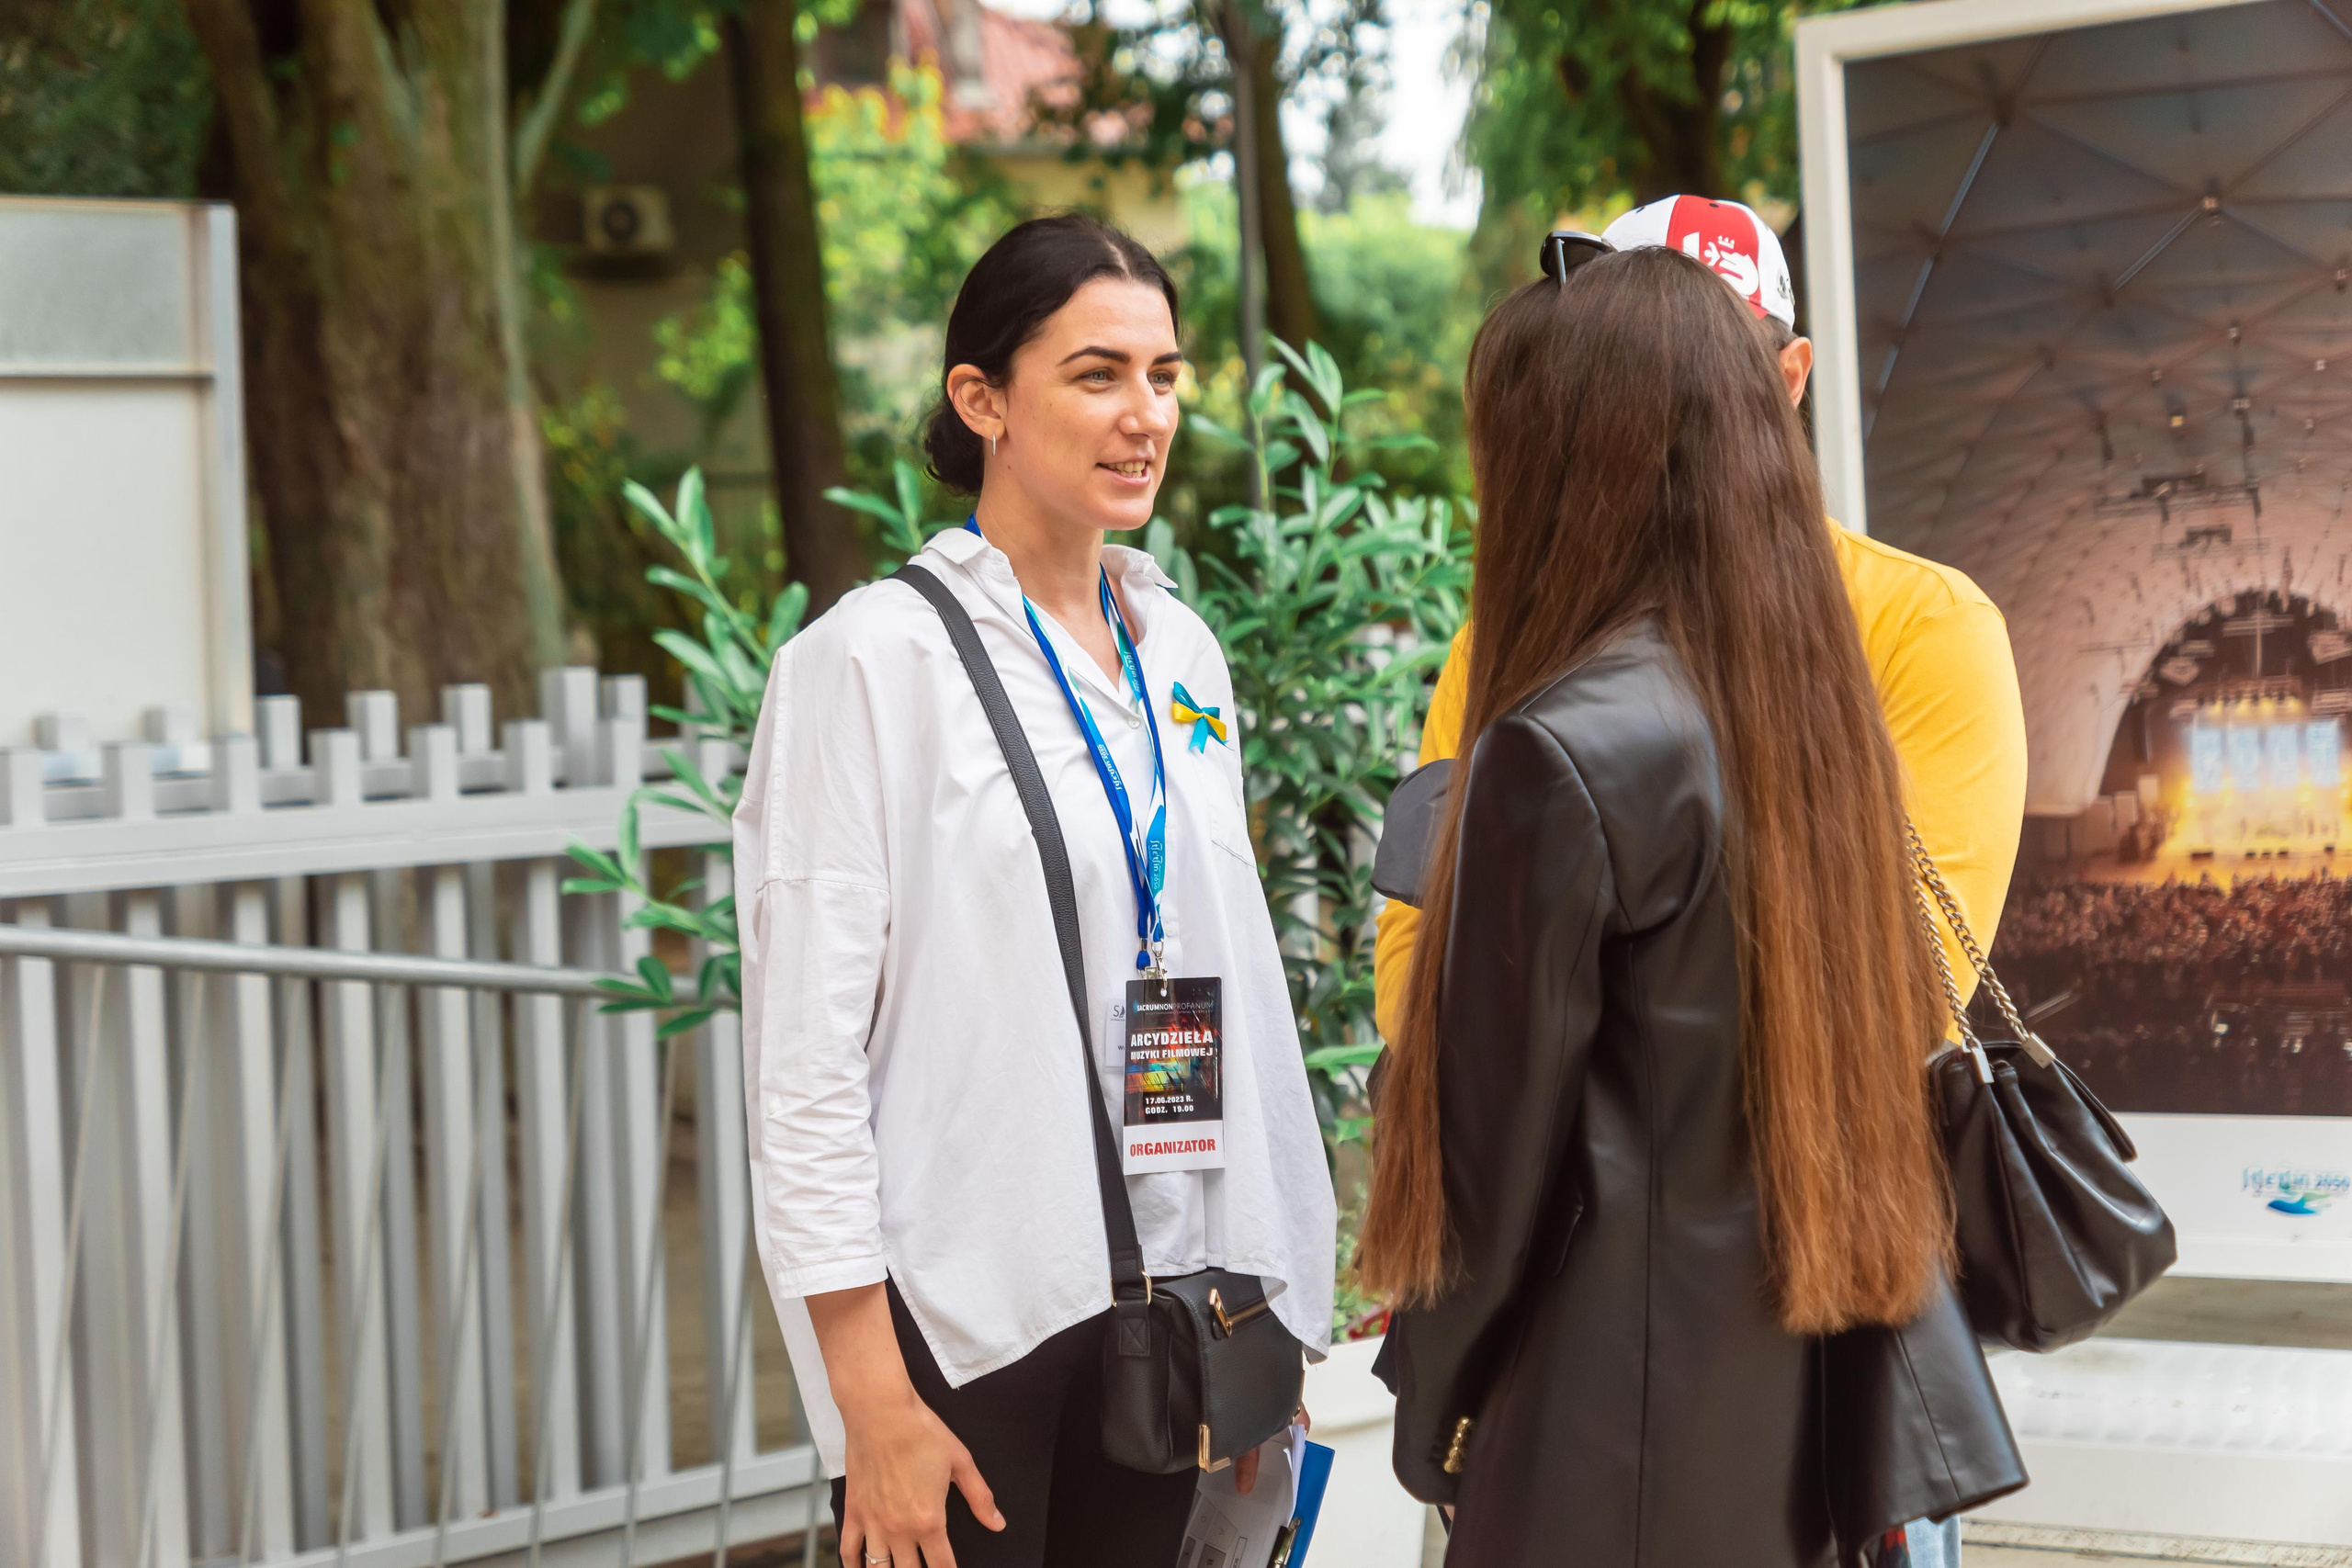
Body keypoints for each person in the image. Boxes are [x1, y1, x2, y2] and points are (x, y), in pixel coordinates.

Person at [1370, 197, 2027, 1568]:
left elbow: (1489, 1145)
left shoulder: (1570, 732)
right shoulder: (1817, 696)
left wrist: (1433, 1407)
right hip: (1810, 1387)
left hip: (1611, 1418)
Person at [732, 214, 1335, 1568]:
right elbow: (804, 1068)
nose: (1145, 415)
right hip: (960, 1325)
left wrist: (1256, 1296)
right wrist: (868, 1397)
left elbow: (1208, 969)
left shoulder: (1178, 649)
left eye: (1164, 376)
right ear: (982, 399)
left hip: (1165, 1302)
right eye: (1096, 374)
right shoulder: (867, 664)